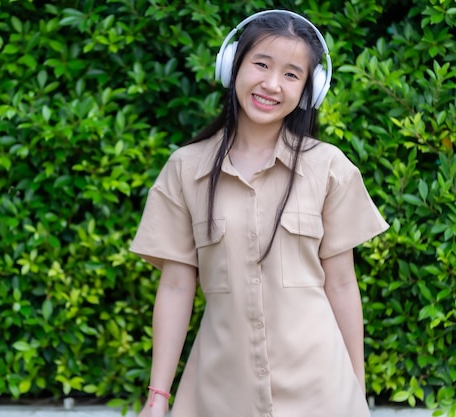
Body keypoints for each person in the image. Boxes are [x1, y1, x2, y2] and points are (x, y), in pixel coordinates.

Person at [130, 9, 389, 417]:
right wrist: (157, 398)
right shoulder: (185, 168)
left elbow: (341, 284)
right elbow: (177, 286)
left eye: (291, 74)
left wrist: (356, 392)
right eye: (261, 64)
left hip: (322, 393)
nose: (271, 84)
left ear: (309, 89)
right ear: (232, 66)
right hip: (218, 394)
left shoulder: (329, 168)